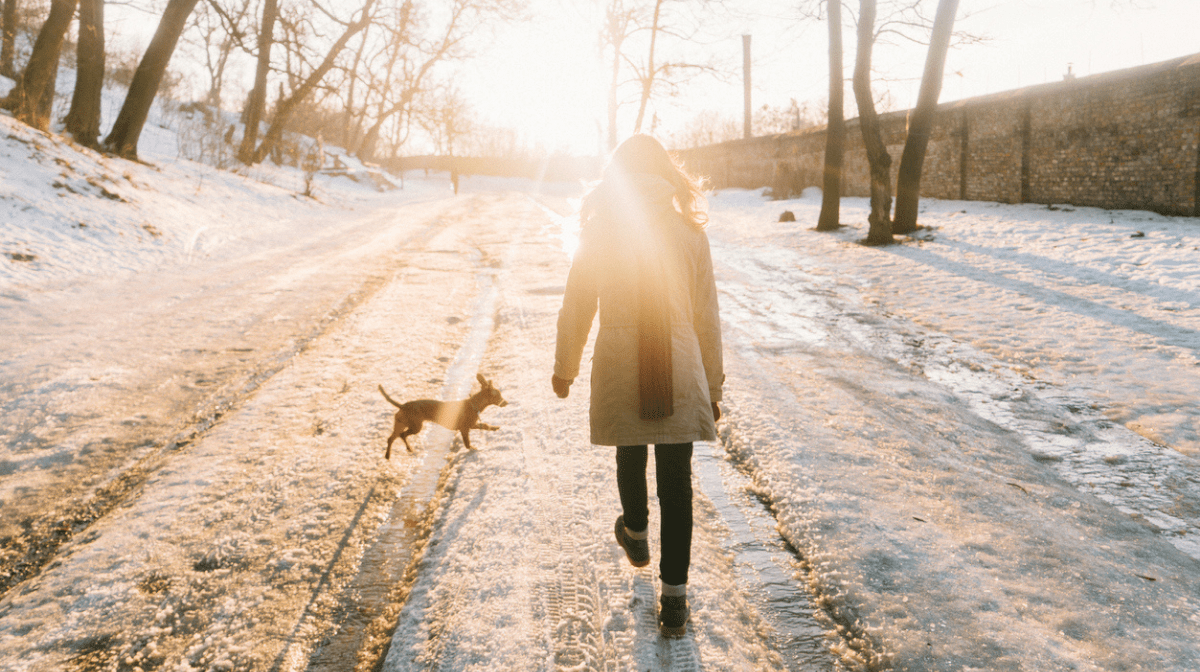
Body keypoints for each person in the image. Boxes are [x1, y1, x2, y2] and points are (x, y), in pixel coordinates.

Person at [552, 134, 724, 638]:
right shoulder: (690, 232)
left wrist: (565, 367)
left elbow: (578, 302)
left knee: (630, 451)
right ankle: (674, 601)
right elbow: (707, 317)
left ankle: (636, 531)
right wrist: (712, 385)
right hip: (679, 366)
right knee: (678, 483)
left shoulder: (602, 230)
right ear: (666, 174)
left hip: (621, 363)